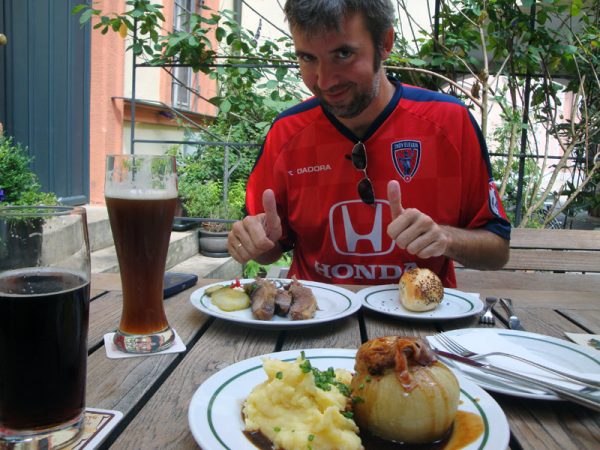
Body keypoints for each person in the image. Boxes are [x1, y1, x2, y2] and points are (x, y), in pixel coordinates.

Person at [227, 0, 511, 287]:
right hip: (312, 317)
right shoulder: (287, 133)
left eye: (343, 53)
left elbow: (497, 251)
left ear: (384, 42)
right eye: (308, 58)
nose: (324, 81)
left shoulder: (449, 123)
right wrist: (257, 243)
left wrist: (446, 238)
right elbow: (269, 247)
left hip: (419, 320)